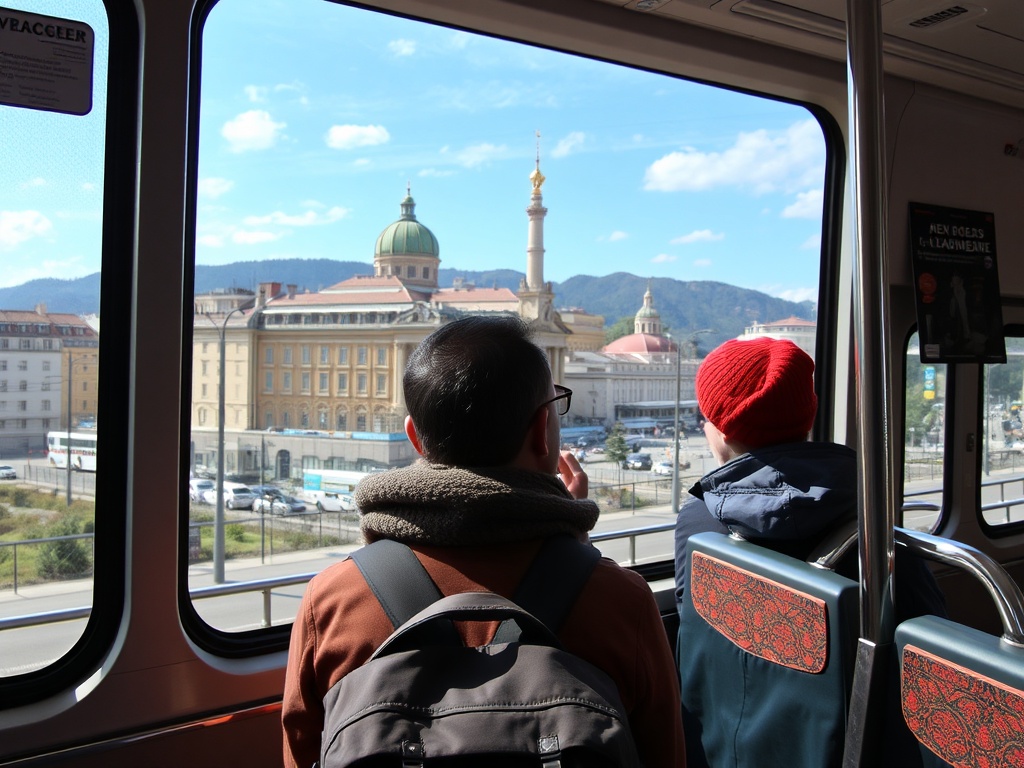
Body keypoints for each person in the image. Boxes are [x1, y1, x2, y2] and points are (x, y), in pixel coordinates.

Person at [283, 315, 685, 768]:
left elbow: (301, 754)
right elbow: (665, 755)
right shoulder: (621, 602)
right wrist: (569, 544)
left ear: (415, 437)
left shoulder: (333, 601)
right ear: (541, 431)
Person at [673, 337, 947, 768]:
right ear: (811, 414)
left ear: (721, 429)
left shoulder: (699, 522)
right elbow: (927, 641)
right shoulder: (873, 517)